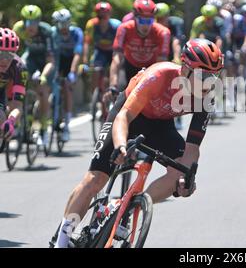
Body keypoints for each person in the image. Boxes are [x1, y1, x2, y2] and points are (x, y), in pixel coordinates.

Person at [53, 38, 224, 248]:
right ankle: (62, 239)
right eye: (203, 76)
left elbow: (192, 148)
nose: (208, 83)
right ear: (186, 69)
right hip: (129, 116)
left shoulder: (206, 96)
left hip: (161, 125)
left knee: (179, 173)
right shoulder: (159, 76)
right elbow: (124, 116)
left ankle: (129, 207)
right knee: (94, 180)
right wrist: (121, 146)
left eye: (213, 77)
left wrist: (185, 177)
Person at [104, 0, 170, 102]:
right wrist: (113, 85)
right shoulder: (124, 29)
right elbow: (116, 59)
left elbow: (161, 64)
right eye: (142, 20)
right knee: (119, 100)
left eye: (149, 21)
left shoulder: (163, 32)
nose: (145, 25)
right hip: (129, 67)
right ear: (134, 17)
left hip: (151, 70)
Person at [13, 5, 54, 145]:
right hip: (30, 58)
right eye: (28, 22)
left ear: (39, 21)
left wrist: (43, 76)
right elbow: (13, 52)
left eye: (35, 22)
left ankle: (43, 127)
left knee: (43, 91)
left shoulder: (46, 31)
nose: (31, 26)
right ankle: (22, 123)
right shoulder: (18, 29)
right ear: (23, 22)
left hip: (45, 61)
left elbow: (51, 60)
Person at [51, 9, 84, 142]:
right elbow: (51, 54)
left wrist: (72, 72)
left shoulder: (76, 33)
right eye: (60, 24)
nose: (63, 28)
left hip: (71, 61)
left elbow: (77, 54)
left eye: (65, 24)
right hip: (58, 61)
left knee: (67, 87)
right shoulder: (53, 33)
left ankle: (67, 125)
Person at [83, 2, 121, 94]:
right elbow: (87, 43)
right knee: (95, 70)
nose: (103, 18)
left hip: (113, 51)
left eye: (105, 15)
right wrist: (85, 61)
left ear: (109, 15)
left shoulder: (117, 26)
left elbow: (121, 45)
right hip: (100, 51)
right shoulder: (91, 25)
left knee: (114, 70)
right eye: (100, 16)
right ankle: (94, 97)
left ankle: (112, 91)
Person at [0, 28, 26, 142]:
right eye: (1, 54)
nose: (5, 60)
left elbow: (18, 106)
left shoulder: (19, 67)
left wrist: (11, 121)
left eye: (10, 54)